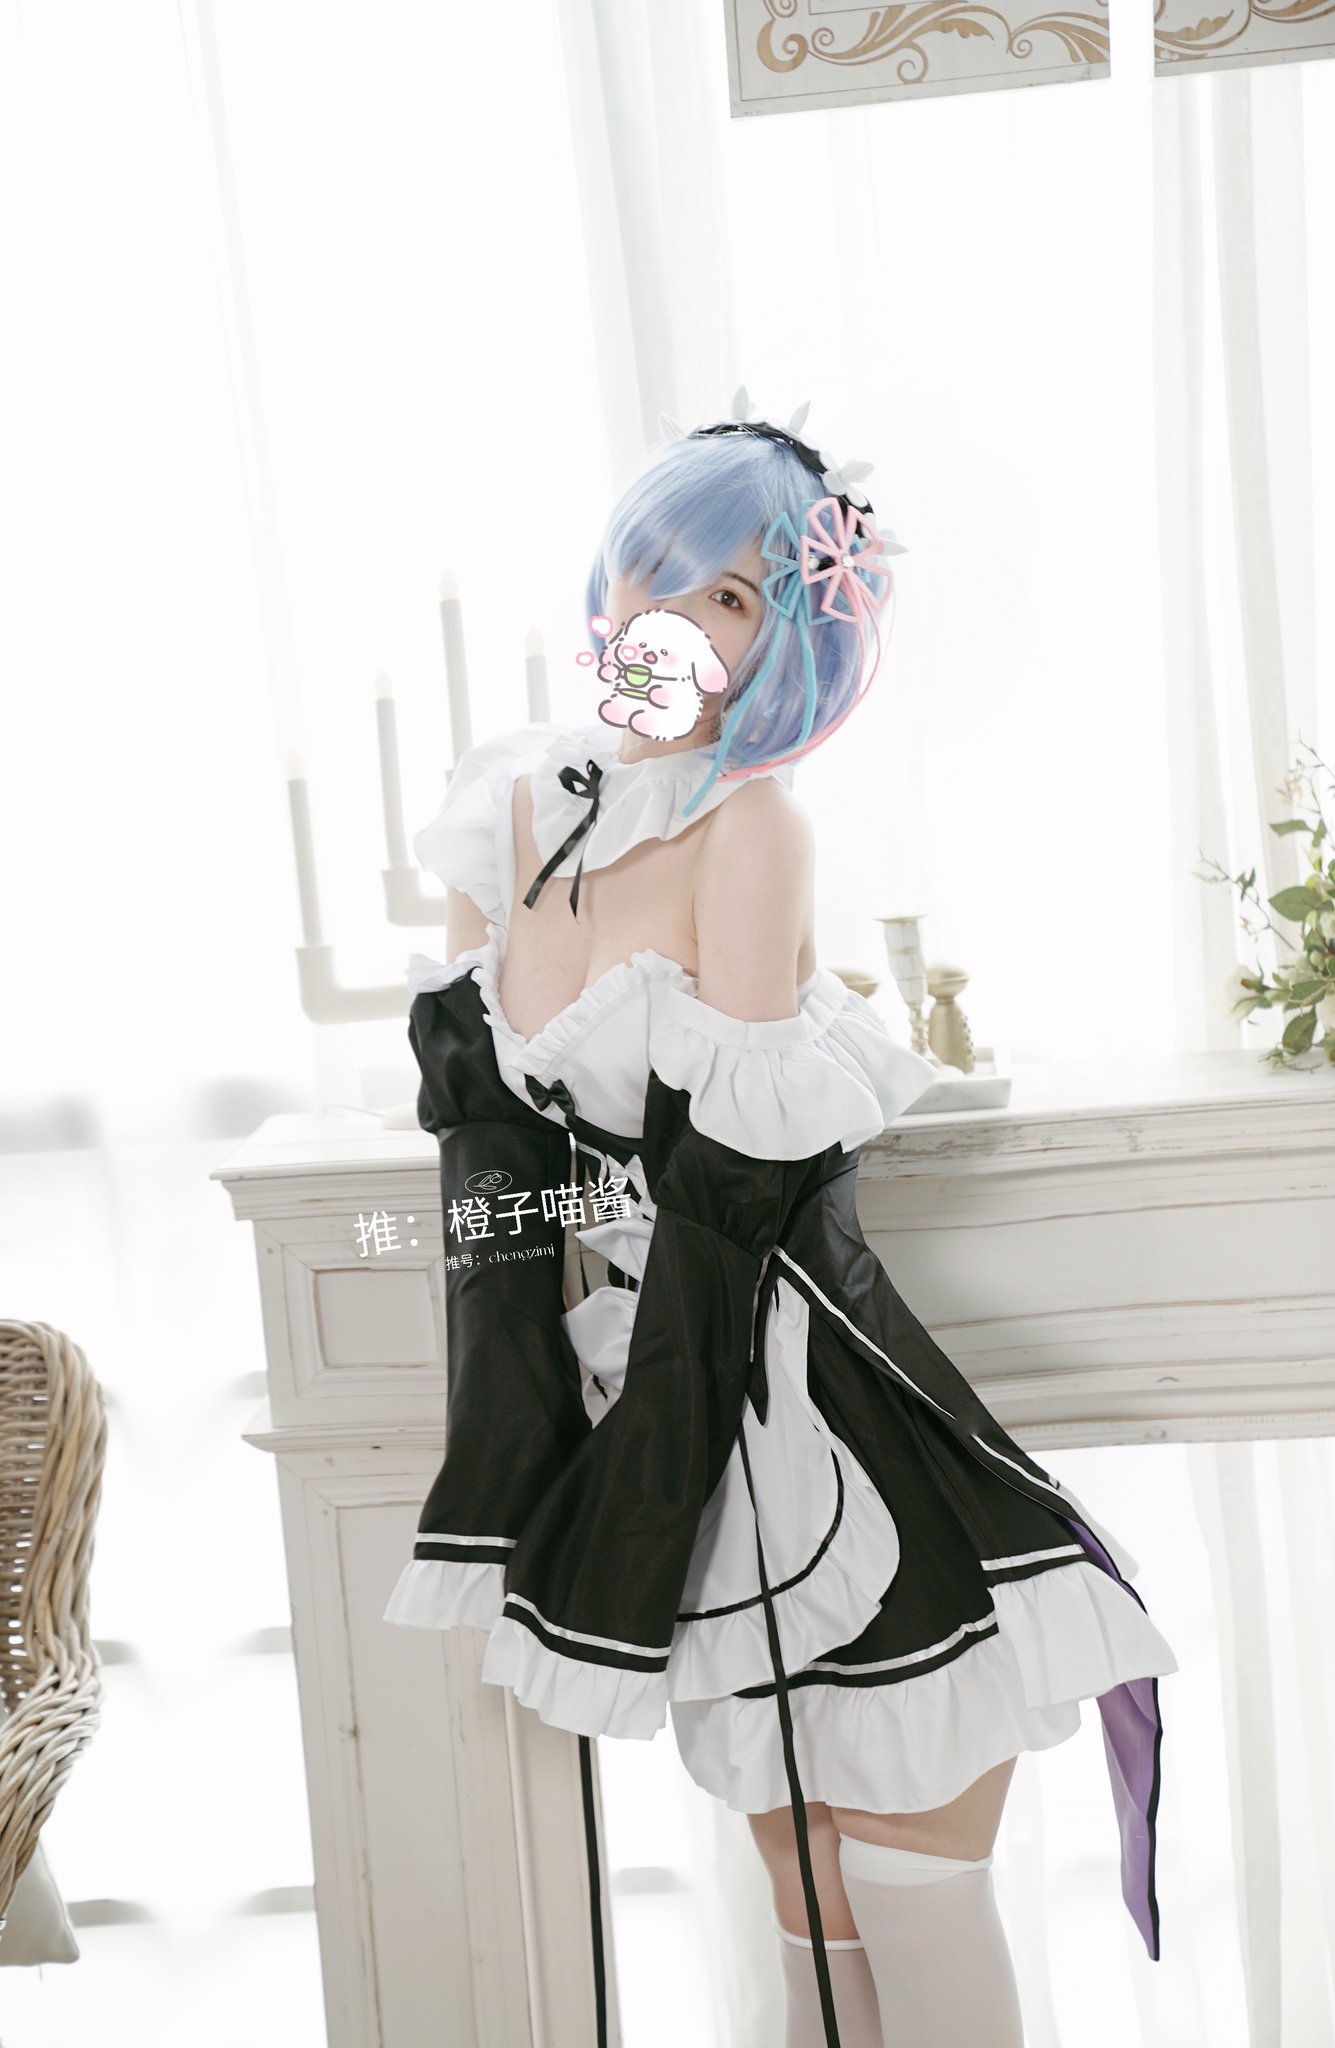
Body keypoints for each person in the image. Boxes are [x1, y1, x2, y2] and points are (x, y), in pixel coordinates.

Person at [383, 404, 1178, 2048]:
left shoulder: (752, 826)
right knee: (806, 1885)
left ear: (789, 642)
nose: (675, 616)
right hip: (671, 1420)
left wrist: (623, 1502)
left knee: (903, 1869)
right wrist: (510, 1475)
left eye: (734, 597)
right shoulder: (505, 805)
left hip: (812, 1412)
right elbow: (491, 1172)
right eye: (658, 571)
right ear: (607, 581)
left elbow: (732, 1200)